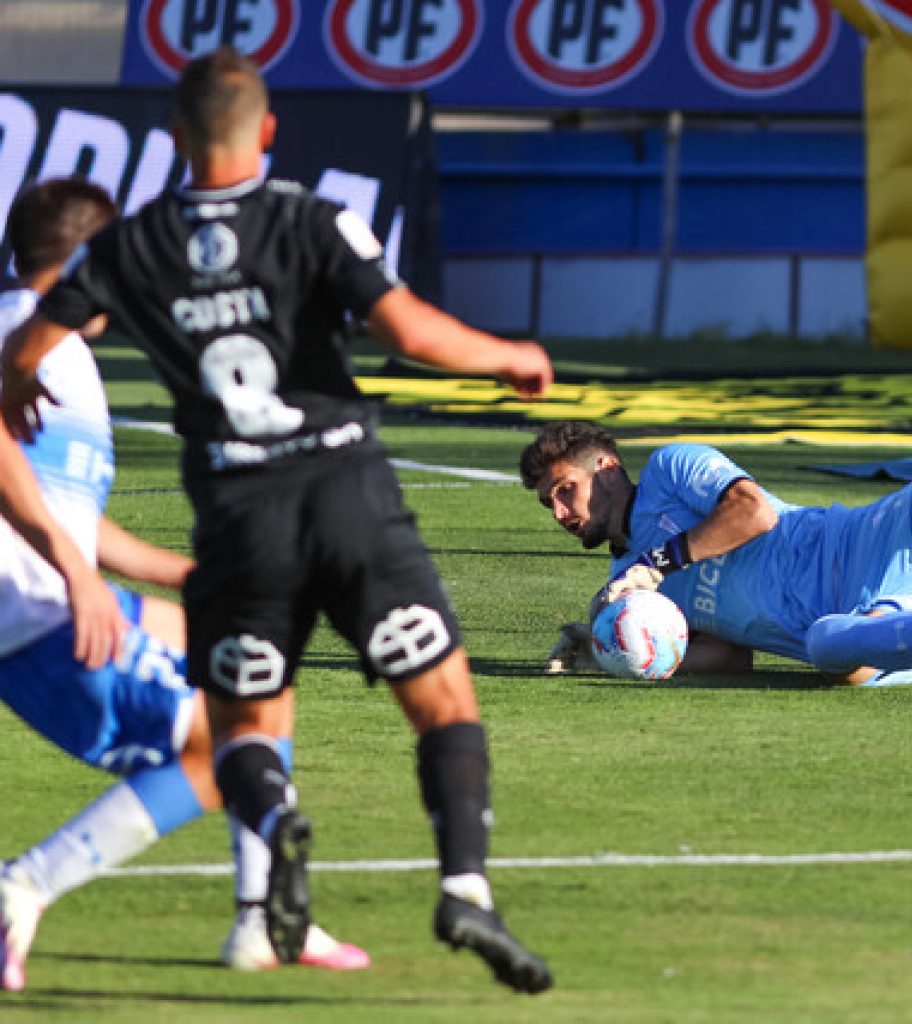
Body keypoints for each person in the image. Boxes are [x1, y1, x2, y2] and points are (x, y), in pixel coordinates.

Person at [1, 49, 553, 993]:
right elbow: (411, 332)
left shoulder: (128, 250)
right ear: (267, 131)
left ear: (173, 142)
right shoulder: (312, 217)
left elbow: (28, 359)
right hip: (345, 497)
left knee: (249, 714)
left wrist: (16, 383)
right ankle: (457, 883)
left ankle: (265, 893)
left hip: (237, 523)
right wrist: (511, 358)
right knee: (438, 705)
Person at [0, 178, 369, 991]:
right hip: (31, 607)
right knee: (218, 751)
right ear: (87, 260)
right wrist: (75, 576)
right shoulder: (26, 337)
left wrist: (192, 575)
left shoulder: (61, 351)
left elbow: (62, 511)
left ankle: (261, 918)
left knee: (255, 671)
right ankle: (21, 886)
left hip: (46, 591)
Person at [519, 420, 912, 686]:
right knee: (825, 645)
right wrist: (607, 655)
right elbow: (728, 656)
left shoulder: (670, 471)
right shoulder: (627, 589)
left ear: (606, 467)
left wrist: (658, 564)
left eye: (566, 491)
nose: (561, 513)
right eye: (550, 504)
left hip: (865, 543)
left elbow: (753, 512)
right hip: (877, 633)